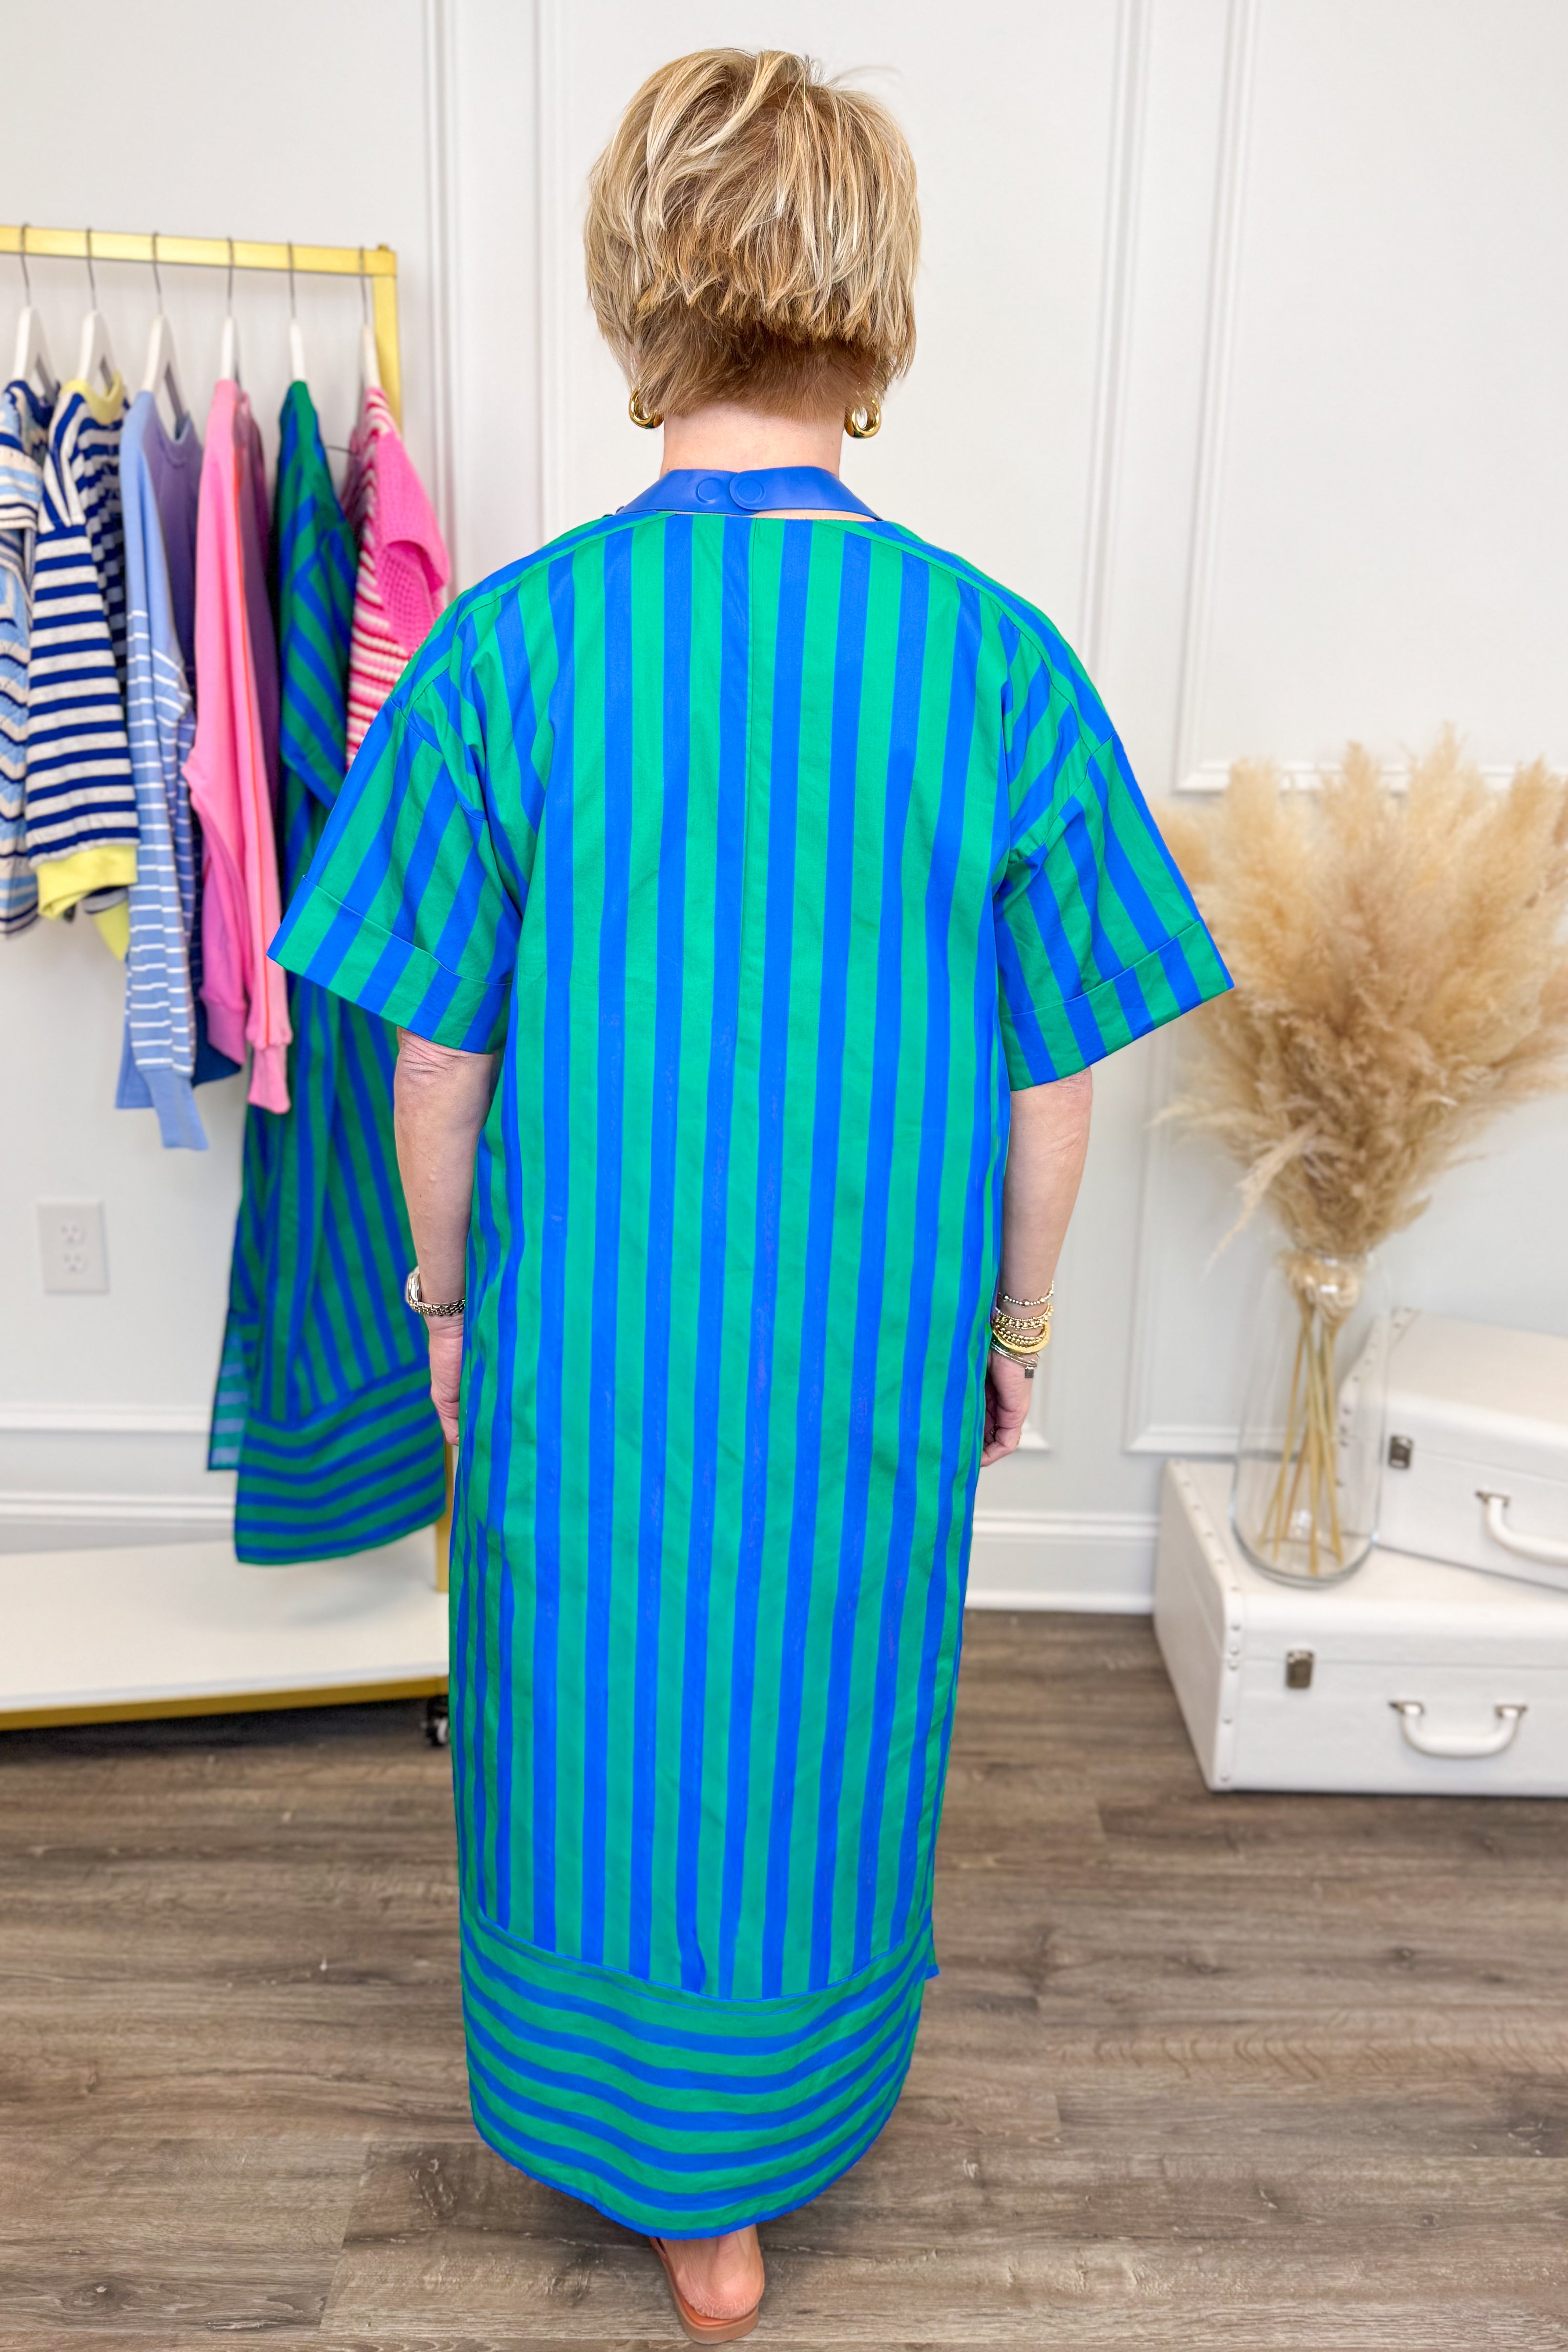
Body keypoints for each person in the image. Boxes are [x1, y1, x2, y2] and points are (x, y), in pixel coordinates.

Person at [272, 47, 1230, 2342]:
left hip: (585, 1353)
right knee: (807, 1721)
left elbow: (432, 1053)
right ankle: (756, 2170)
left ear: (638, 293)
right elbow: (1053, 1088)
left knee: (581, 1708)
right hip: (855, 1365)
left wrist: (439, 1297)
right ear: (871, 311)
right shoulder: (993, 662)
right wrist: (1008, 1341)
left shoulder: (510, 645)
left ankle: (629, 2146)